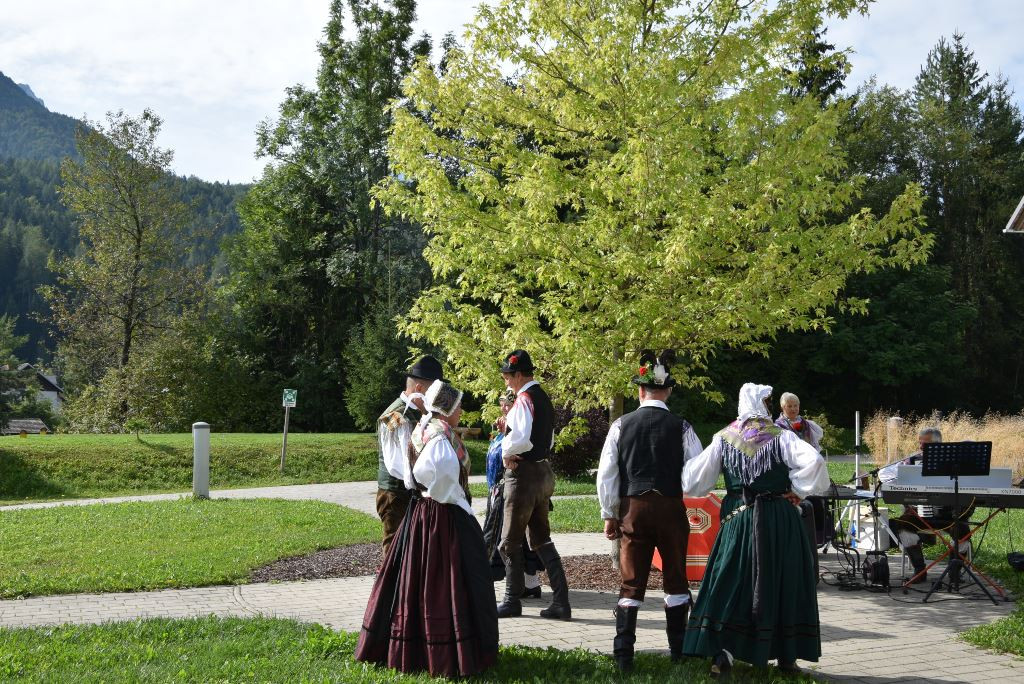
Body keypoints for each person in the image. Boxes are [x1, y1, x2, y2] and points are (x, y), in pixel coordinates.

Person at [682, 383, 829, 678]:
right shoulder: (781, 436)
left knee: (731, 580)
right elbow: (814, 461)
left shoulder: (724, 437)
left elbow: (694, 481)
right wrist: (799, 490)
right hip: (778, 519)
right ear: (763, 405)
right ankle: (787, 657)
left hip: (740, 520)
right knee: (783, 581)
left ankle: (724, 650)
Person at [354, 379, 499, 678]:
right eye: (458, 406)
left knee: (419, 581)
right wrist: (459, 505)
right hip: (442, 514)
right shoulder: (439, 435)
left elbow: (409, 473)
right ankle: (449, 652)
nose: (461, 412)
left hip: (422, 512)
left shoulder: (423, 426)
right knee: (449, 580)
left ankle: (416, 648)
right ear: (447, 408)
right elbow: (438, 478)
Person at [596, 350, 703, 673]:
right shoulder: (682, 427)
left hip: (633, 510)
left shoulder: (621, 425)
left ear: (640, 391)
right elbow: (696, 473)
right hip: (670, 509)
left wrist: (609, 513)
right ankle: (679, 652)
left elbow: (607, 474)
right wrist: (680, 487)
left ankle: (623, 656)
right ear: (667, 391)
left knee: (631, 582)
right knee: (675, 579)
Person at [496, 349, 571, 620]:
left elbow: (520, 438)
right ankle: (561, 602)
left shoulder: (525, 399)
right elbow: (547, 440)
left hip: (524, 476)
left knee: (509, 543)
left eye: (507, 376)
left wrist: (506, 453)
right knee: (541, 540)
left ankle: (511, 601)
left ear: (518, 375)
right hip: (542, 472)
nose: (506, 381)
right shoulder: (542, 398)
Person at [879, 427, 972, 584]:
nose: (921, 447)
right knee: (903, 525)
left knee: (963, 532)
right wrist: (903, 479)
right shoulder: (912, 461)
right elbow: (884, 473)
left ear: (938, 445)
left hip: (949, 515)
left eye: (926, 443)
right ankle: (919, 570)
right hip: (918, 513)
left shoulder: (954, 463)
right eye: (920, 443)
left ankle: (954, 572)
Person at [374, 355, 444, 554]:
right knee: (394, 552)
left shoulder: (420, 413)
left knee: (412, 552)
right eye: (433, 391)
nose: (435, 398)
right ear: (419, 388)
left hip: (410, 492)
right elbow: (396, 465)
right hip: (395, 495)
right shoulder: (395, 415)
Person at [482, 389, 543, 596]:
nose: (504, 409)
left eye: (508, 405)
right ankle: (528, 584)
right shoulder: (507, 430)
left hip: (509, 491)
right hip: (498, 490)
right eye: (502, 404)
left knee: (500, 538)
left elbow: (515, 457)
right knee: (515, 538)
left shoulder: (520, 431)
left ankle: (502, 584)